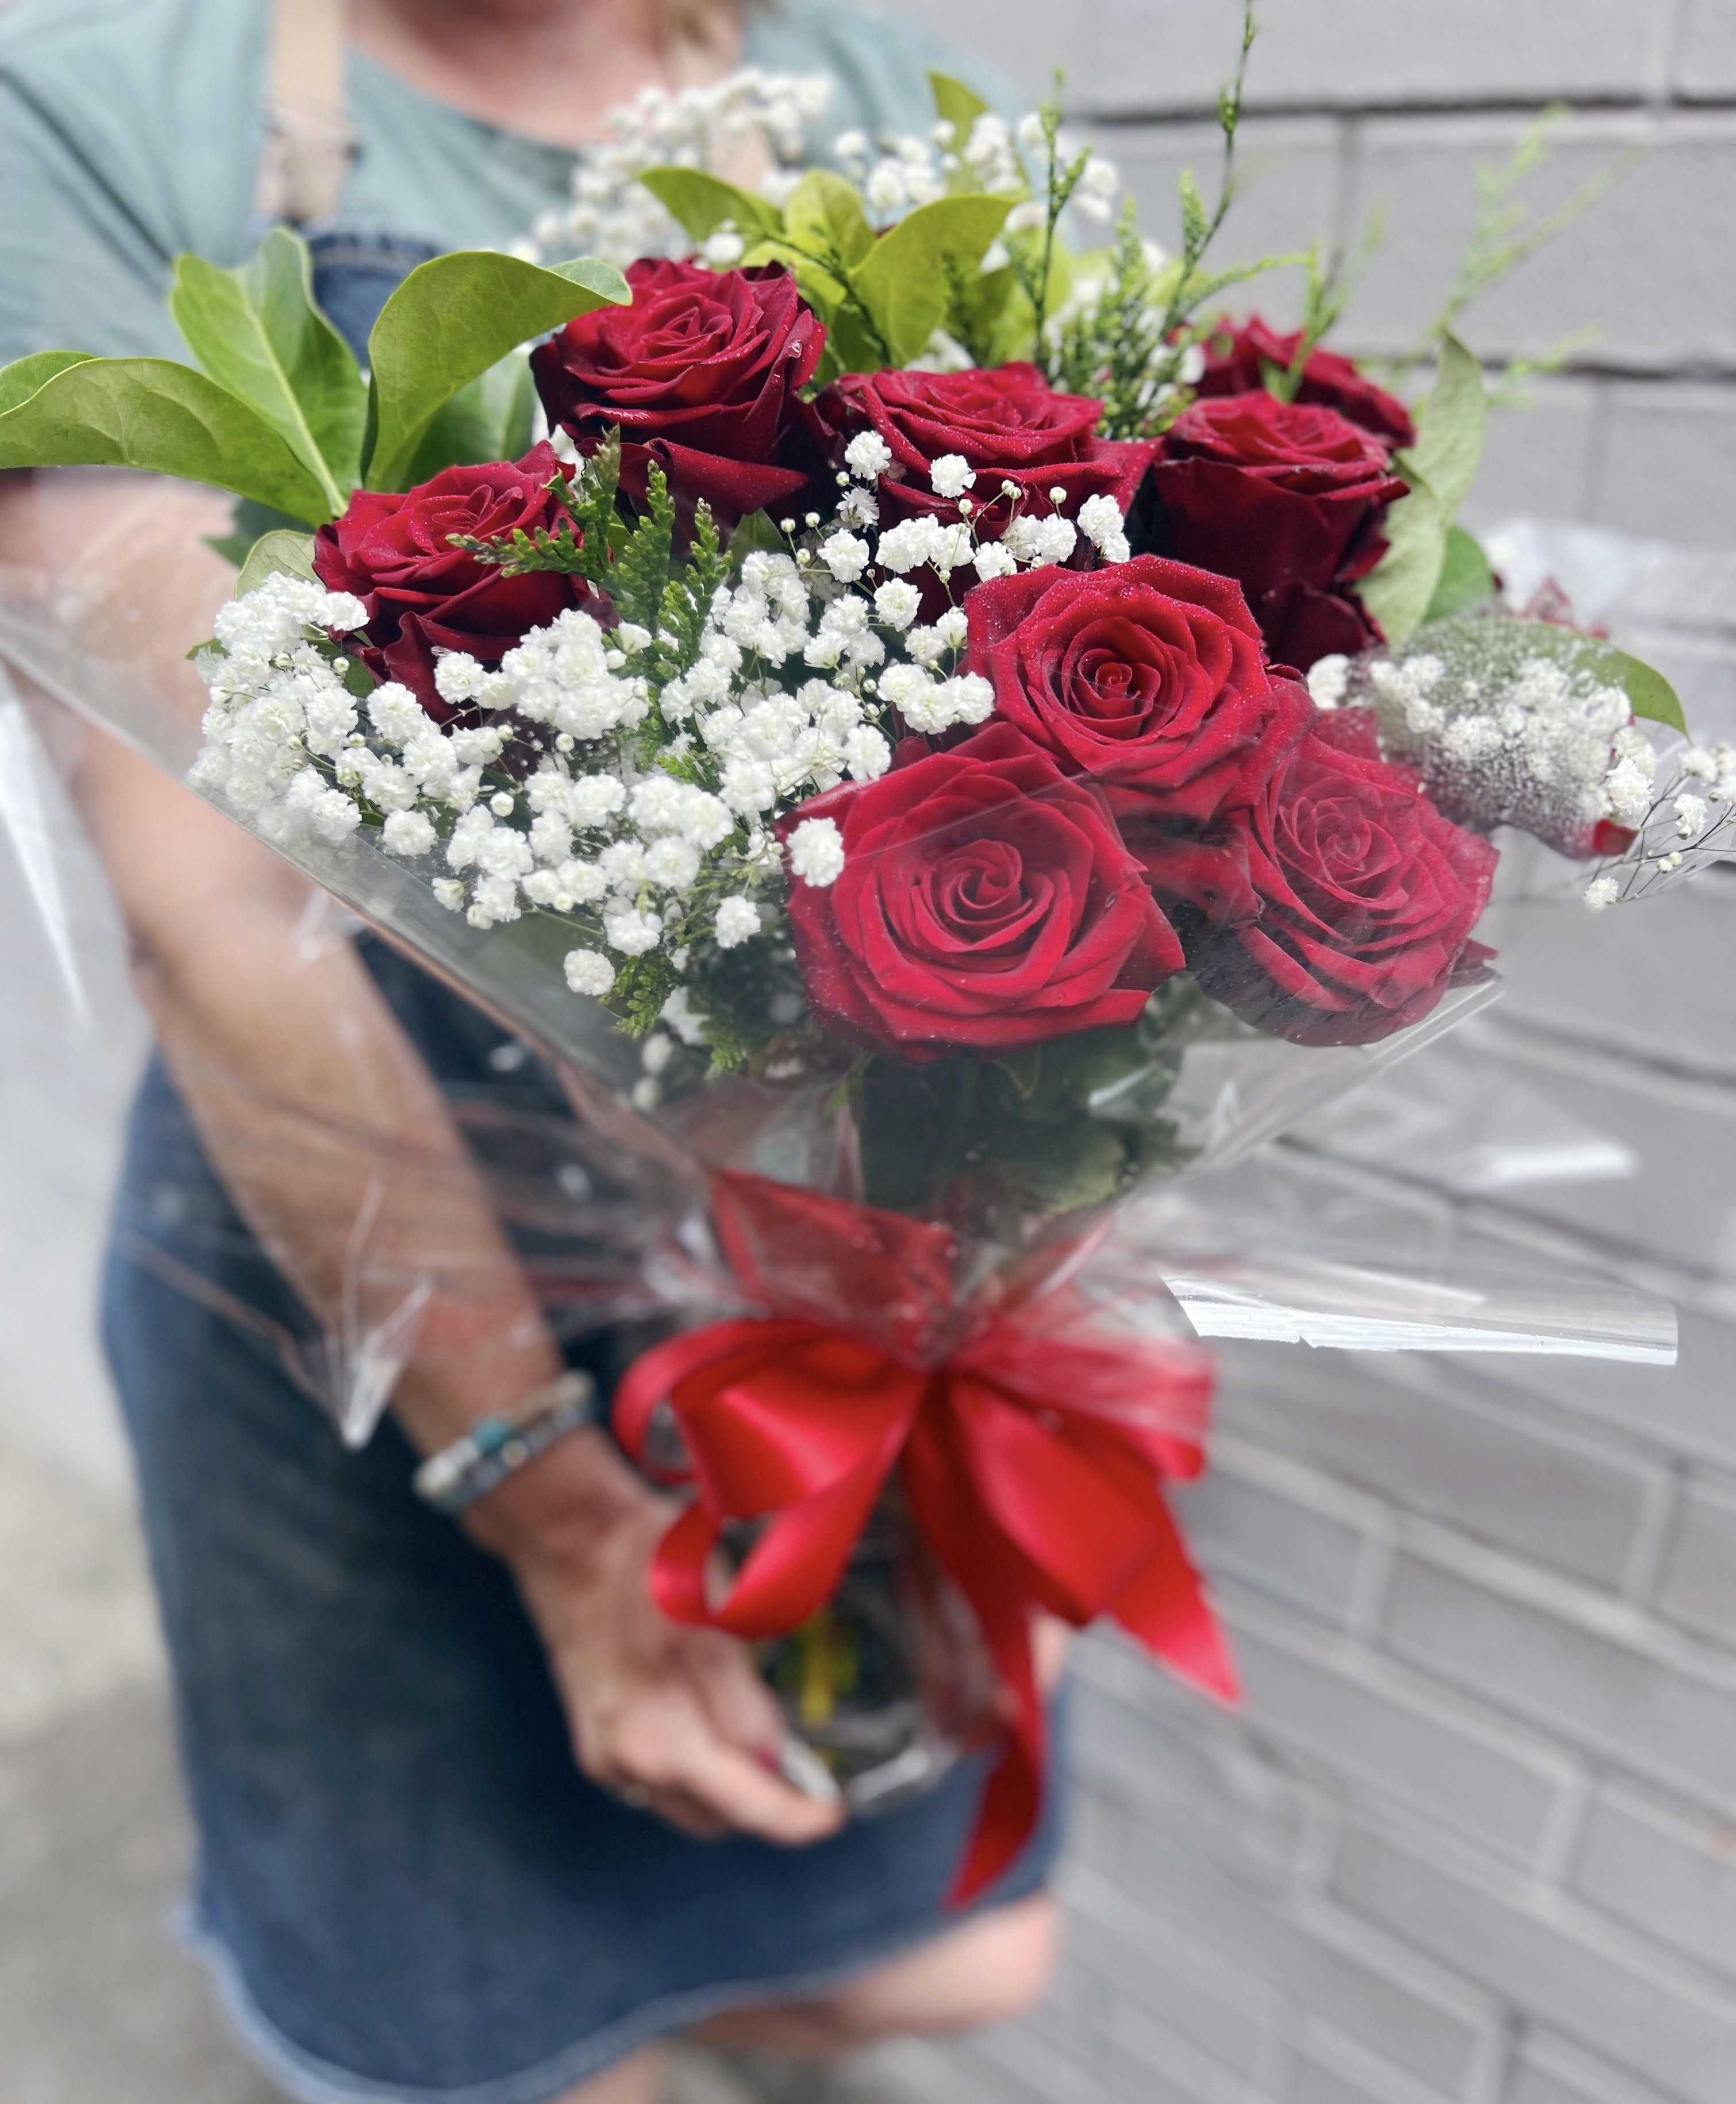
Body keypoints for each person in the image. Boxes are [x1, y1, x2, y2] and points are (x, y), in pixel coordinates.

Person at [0, 5, 1062, 2103]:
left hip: (806, 1255)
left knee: (938, 1961)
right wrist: (543, 1498)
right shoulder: (108, 98)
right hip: (369, 1264)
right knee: (487, 2040)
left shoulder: (862, 82)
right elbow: (213, 899)